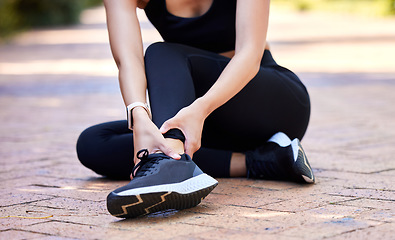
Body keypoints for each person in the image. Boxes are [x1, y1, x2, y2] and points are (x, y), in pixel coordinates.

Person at [77, 0, 315, 218]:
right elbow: (129, 60)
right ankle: (267, 161)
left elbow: (249, 55)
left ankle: (172, 160)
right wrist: (139, 117)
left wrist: (200, 109)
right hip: (203, 123)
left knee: (161, 52)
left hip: (268, 103)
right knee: (95, 143)